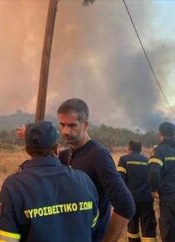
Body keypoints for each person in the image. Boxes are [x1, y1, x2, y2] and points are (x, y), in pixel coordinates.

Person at [16, 98, 135, 242]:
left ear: (85, 125)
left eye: (72, 125)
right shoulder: (65, 155)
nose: (66, 131)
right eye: (62, 125)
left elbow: (125, 205)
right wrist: (31, 135)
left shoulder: (98, 155)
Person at [0, 121, 99, 242]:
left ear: (27, 150)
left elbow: (4, 238)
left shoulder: (14, 185)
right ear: (57, 149)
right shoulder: (83, 180)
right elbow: (92, 225)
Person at [117, 140, 156, 242]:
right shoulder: (148, 160)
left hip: (131, 199)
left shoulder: (124, 160)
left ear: (129, 148)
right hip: (147, 199)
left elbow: (120, 179)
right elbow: (153, 178)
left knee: (133, 228)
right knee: (148, 229)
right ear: (140, 148)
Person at [148, 121, 175, 242]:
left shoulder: (159, 150)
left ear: (160, 134)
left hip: (168, 196)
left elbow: (154, 172)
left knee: (168, 227)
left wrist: (153, 189)